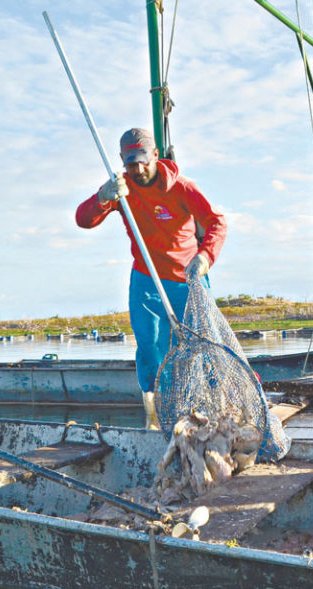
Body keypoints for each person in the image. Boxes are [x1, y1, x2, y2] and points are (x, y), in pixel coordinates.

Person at [76, 128, 227, 428]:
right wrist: (103, 198)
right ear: (122, 160)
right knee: (150, 347)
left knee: (204, 344)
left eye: (143, 160)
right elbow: (83, 219)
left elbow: (216, 222)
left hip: (188, 278)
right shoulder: (123, 190)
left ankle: (219, 408)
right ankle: (156, 412)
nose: (138, 168)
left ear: (156, 156)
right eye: (131, 162)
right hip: (146, 280)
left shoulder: (182, 188)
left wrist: (206, 256)